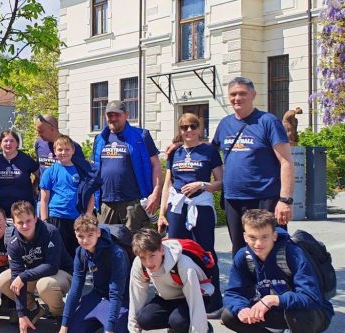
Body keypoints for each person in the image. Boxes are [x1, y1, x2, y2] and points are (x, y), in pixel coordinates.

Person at [222, 210, 333, 333]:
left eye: (264, 237)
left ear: (274, 235)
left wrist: (272, 299)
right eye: (252, 237)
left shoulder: (292, 253)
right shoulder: (244, 256)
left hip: (314, 314)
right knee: (230, 315)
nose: (258, 243)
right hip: (276, 311)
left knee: (296, 312)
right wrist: (241, 308)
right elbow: (234, 293)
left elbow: (311, 297)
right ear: (245, 236)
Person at [211, 77, 294, 255]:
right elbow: (208, 152)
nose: (237, 98)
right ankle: (245, 275)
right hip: (233, 199)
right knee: (240, 252)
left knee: (271, 251)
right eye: (233, 94)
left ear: (253, 95)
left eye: (242, 93)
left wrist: (285, 200)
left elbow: (286, 162)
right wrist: (179, 145)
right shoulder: (225, 124)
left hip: (265, 199)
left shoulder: (268, 121)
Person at [122, 229, 215, 333]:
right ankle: (176, 329)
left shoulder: (184, 265)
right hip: (167, 297)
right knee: (144, 319)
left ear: (162, 250)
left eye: (152, 255)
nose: (148, 263)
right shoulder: (139, 264)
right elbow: (135, 301)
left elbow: (196, 305)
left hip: (198, 296)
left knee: (178, 320)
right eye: (143, 257)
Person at [158, 113, 224, 316]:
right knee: (177, 252)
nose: (189, 130)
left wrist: (202, 185)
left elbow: (220, 182)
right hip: (177, 207)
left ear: (199, 128)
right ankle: (183, 298)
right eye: (184, 127)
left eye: (193, 126)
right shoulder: (174, 153)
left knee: (205, 252)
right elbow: (167, 185)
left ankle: (213, 300)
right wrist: (162, 214)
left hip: (200, 206)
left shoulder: (209, 151)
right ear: (180, 130)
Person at [45, 216, 130, 333]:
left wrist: (110, 332)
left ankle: (111, 324)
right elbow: (75, 290)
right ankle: (100, 320)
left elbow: (116, 293)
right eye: (80, 236)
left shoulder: (116, 253)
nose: (85, 240)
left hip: (120, 299)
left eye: (90, 235)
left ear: (98, 232)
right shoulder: (80, 252)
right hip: (98, 296)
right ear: (75, 234)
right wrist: (63, 327)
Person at [0, 201, 73, 333]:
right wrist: (21, 313)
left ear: (35, 218)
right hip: (35, 274)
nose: (25, 226)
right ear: (13, 223)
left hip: (60, 273)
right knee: (4, 280)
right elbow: (16, 276)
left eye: (28, 221)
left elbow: (52, 266)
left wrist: (23, 276)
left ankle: (61, 316)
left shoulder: (50, 232)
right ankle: (32, 309)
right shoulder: (13, 243)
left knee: (45, 285)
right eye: (20, 222)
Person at [92, 100, 162, 231]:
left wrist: (156, 193)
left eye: (117, 115)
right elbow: (94, 169)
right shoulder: (100, 139)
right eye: (110, 115)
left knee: (135, 242)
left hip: (133, 204)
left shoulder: (141, 136)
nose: (113, 118)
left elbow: (156, 165)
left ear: (126, 115)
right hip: (105, 204)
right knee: (106, 241)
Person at [40, 135, 96, 258]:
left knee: (78, 253)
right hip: (57, 217)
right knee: (59, 254)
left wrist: (88, 214)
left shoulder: (82, 170)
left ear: (73, 151)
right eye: (60, 149)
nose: (63, 152)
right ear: (54, 151)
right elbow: (44, 200)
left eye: (67, 149)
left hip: (78, 218)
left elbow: (90, 194)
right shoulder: (49, 171)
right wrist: (44, 221)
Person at [0, 130, 38, 216]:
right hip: (1, 208)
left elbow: (38, 175)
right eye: (5, 141)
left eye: (12, 141)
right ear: (0, 143)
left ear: (17, 143)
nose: (8, 144)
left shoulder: (26, 160)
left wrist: (34, 188)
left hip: (24, 208)